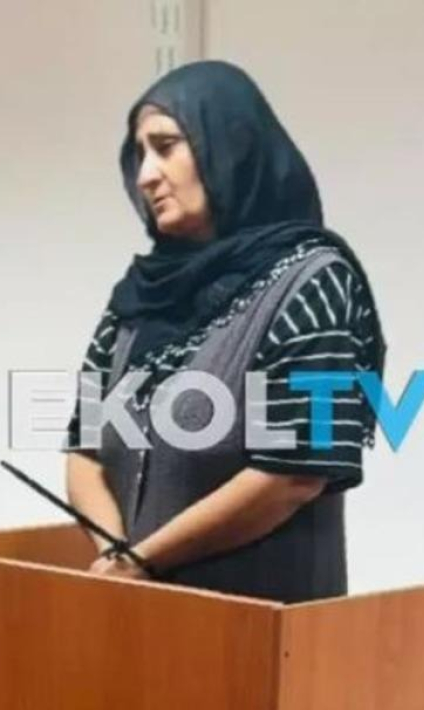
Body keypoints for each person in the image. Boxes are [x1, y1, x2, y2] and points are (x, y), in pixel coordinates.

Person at [64, 60, 386, 604]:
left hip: (262, 622)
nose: (145, 175)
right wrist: (117, 557)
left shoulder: (313, 279)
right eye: (140, 154)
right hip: (139, 615)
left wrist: (143, 562)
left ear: (229, 148)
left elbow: (294, 475)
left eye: (166, 147)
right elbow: (84, 446)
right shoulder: (140, 294)